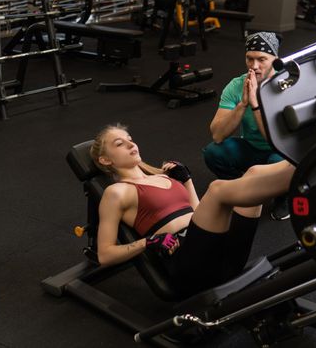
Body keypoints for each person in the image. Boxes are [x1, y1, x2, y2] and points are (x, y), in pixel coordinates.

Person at [90, 124, 294, 298]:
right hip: (189, 265)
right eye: (119, 144)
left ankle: (303, 160)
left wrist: (186, 181)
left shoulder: (164, 177)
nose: (130, 144)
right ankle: (300, 173)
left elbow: (199, 215)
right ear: (105, 160)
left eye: (130, 139)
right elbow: (105, 255)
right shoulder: (116, 192)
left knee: (254, 172)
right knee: (217, 189)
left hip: (218, 252)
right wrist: (149, 242)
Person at [201, 31, 289, 221]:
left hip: (282, 151)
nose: (254, 66)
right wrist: (242, 104)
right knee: (214, 153)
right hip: (252, 148)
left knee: (279, 165)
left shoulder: (287, 84)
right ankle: (243, 190)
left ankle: (283, 197)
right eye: (249, 59)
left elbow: (275, 140)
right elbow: (217, 135)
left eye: (261, 59)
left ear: (276, 60)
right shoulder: (237, 85)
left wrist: (255, 104)